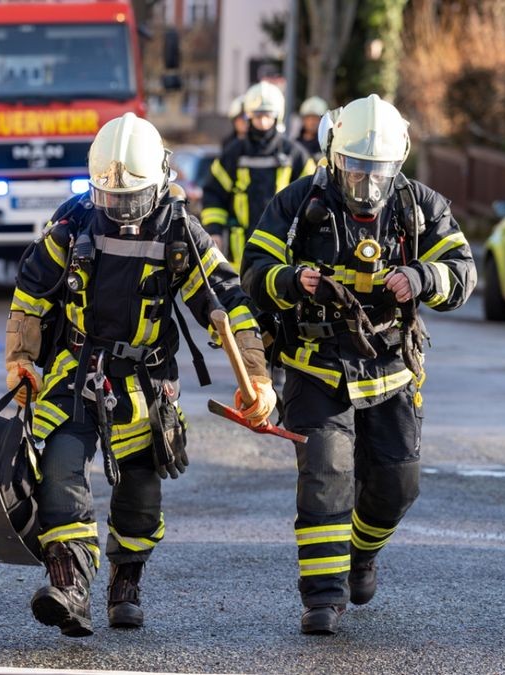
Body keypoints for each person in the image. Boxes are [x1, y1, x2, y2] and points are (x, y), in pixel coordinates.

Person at [6, 112, 274, 637]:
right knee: (59, 470)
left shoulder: (181, 233)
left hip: (145, 385)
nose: (122, 212)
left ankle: (125, 582)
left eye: (132, 200)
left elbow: (228, 306)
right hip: (75, 371)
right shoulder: (74, 220)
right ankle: (70, 586)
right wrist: (21, 358)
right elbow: (31, 291)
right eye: (111, 200)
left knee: (140, 497)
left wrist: (256, 378)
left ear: (160, 181)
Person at [240, 94, 476, 635]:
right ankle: (322, 599)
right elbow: (254, 267)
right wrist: (287, 280)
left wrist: (422, 278)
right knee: (326, 477)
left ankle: (361, 555)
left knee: (398, 483)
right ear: (333, 157)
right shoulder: (299, 202)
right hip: (316, 367)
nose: (366, 185)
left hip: (391, 368)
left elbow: (462, 269)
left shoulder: (420, 206)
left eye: (378, 173)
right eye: (355, 170)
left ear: (399, 163)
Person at [202, 81, 315, 271]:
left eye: (267, 116)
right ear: (249, 116)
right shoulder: (233, 154)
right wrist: (214, 230)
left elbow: (314, 192)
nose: (262, 123)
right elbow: (214, 193)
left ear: (277, 116)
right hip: (239, 251)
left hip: (284, 245)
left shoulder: (295, 155)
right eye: (257, 116)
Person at [295, 96, 329, 162]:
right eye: (308, 118)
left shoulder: (327, 145)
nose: (311, 122)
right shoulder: (295, 143)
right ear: (303, 119)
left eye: (315, 118)